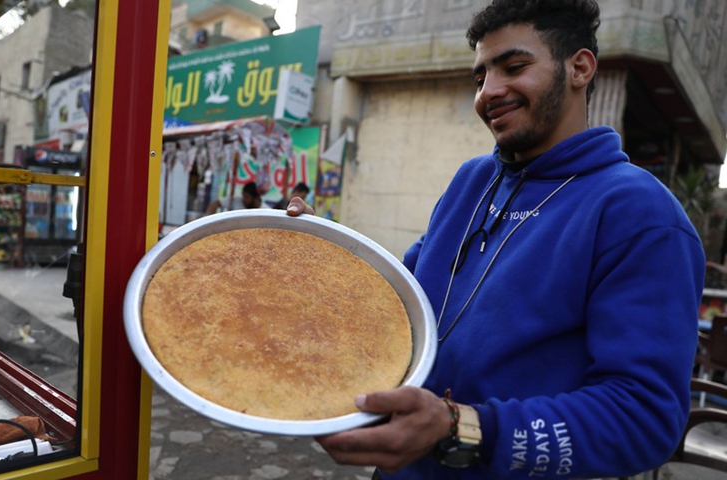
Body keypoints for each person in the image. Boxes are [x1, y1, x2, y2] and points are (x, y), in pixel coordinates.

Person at [287, 1, 705, 478]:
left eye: (514, 67)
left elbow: (644, 419)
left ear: (580, 68)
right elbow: (403, 307)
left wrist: (460, 426)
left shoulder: (640, 214)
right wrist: (321, 255)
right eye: (480, 77)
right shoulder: (473, 179)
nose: (490, 92)